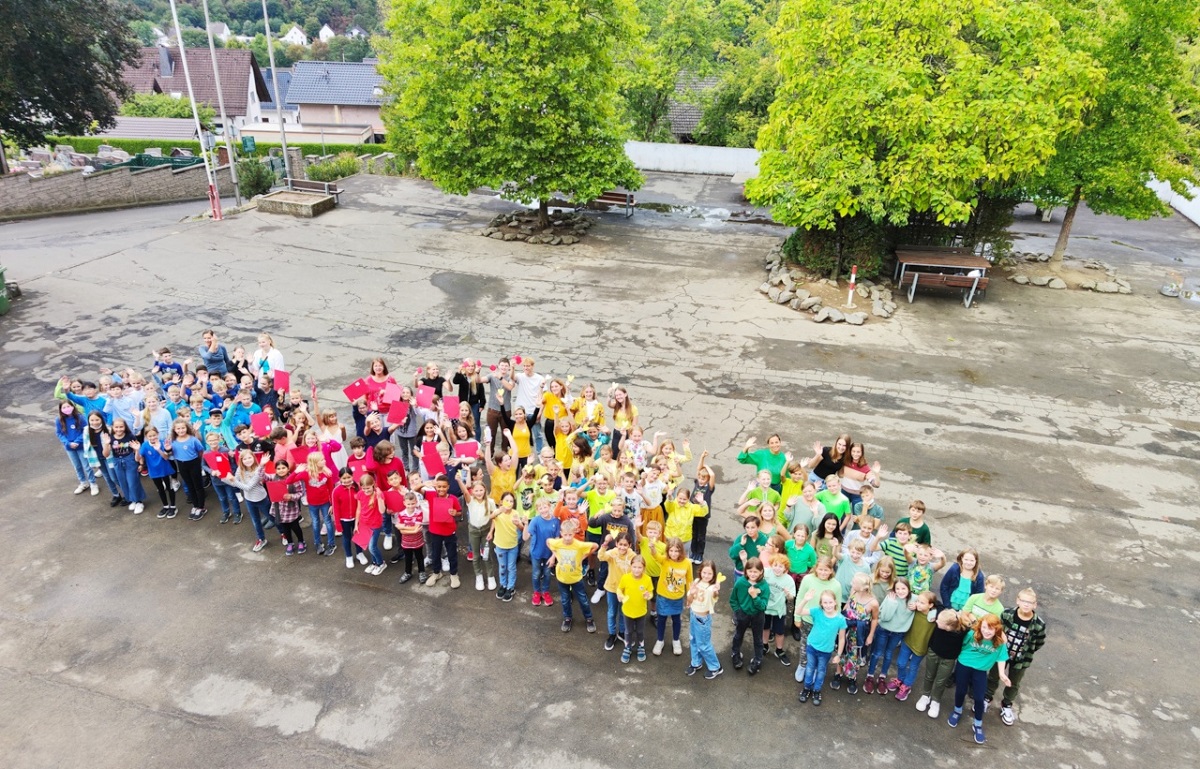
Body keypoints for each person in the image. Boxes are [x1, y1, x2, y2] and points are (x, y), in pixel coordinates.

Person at [986, 588, 1047, 726]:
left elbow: (1039, 642)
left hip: (1021, 659)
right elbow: (998, 631)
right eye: (1023, 601)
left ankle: (1006, 704)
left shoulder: (1039, 625)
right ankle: (987, 697)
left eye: (1030, 602)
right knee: (993, 675)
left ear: (1035, 605)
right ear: (1017, 601)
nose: (1026, 604)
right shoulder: (1007, 614)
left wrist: (1026, 652)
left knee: (1014, 682)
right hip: (1002, 654)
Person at [949, 613, 1011, 744]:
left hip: (980, 670)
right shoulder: (972, 635)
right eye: (984, 627)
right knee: (960, 690)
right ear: (980, 626)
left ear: (997, 629)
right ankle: (957, 710)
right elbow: (959, 644)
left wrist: (1002, 674)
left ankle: (977, 723)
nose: (986, 631)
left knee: (979, 697)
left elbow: (1001, 657)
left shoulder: (999, 642)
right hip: (964, 664)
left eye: (990, 629)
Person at [796, 589, 848, 706]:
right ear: (821, 604)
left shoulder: (840, 619)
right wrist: (805, 600)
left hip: (826, 651)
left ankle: (816, 690)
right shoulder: (817, 611)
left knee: (821, 671)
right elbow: (799, 612)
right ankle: (806, 688)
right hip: (812, 646)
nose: (828, 605)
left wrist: (838, 655)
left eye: (830, 602)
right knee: (809, 668)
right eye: (825, 602)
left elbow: (841, 638)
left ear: (835, 602)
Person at [547, 519, 598, 633]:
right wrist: (554, 555)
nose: (568, 537)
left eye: (570, 535)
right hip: (562, 578)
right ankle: (567, 618)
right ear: (561, 533)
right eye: (565, 535)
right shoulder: (557, 543)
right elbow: (548, 542)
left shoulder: (579, 545)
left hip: (576, 578)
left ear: (574, 533)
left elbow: (595, 546)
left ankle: (589, 618)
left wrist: (583, 557)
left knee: (583, 600)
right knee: (565, 600)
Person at [866, 578, 914, 695]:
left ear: (908, 589)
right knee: (877, 653)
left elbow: (932, 604)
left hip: (898, 632)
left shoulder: (914, 600)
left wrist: (918, 606)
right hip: (884, 629)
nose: (900, 591)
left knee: (888, 654)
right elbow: (885, 617)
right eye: (897, 588)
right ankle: (870, 676)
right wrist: (892, 603)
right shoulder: (890, 598)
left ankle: (882, 677)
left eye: (903, 588)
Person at [649, 537, 692, 657]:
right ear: (667, 551)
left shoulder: (687, 563)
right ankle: (660, 641)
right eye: (671, 551)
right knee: (661, 619)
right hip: (663, 596)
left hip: (677, 597)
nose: (673, 553)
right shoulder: (665, 560)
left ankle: (676, 640)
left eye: (676, 551)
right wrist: (652, 548)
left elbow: (689, 580)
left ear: (681, 551)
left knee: (676, 620)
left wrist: (690, 596)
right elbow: (656, 556)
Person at [893, 590, 938, 701]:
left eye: (922, 603)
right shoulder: (915, 610)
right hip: (908, 641)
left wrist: (936, 613)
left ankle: (907, 686)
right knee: (900, 663)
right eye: (918, 601)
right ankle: (900, 679)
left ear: (931, 605)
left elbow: (943, 611)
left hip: (921, 647)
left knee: (913, 667)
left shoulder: (934, 617)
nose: (918, 604)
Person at [729, 556, 770, 675]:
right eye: (750, 571)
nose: (752, 574)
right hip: (743, 614)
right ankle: (735, 654)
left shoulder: (764, 586)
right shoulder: (740, 583)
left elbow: (763, 606)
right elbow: (733, 599)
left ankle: (757, 659)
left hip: (758, 615)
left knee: (758, 638)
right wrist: (737, 611)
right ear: (746, 571)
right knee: (738, 635)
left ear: (761, 572)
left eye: (755, 572)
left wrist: (755, 597)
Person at [685, 560, 725, 679]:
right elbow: (689, 601)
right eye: (704, 572)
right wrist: (691, 593)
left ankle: (715, 667)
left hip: (703, 619)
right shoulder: (696, 582)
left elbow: (715, 595)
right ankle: (696, 663)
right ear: (700, 571)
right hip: (693, 615)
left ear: (713, 575)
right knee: (693, 640)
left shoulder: (712, 587)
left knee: (703, 644)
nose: (706, 576)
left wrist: (716, 590)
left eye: (709, 574)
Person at [422, 474, 463, 588]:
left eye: (444, 487)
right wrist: (424, 483)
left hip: (449, 531)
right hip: (435, 531)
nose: (441, 489)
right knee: (436, 553)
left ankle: (454, 574)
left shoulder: (453, 498)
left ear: (448, 487)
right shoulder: (430, 495)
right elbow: (416, 489)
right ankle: (436, 573)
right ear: (435, 486)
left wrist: (455, 513)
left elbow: (459, 512)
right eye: (438, 486)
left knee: (452, 554)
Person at [225, 449, 271, 549]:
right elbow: (234, 482)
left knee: (271, 517)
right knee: (255, 521)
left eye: (249, 457)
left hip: (261, 499)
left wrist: (233, 480)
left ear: (253, 458)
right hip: (249, 500)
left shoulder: (258, 470)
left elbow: (248, 487)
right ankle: (261, 539)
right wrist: (223, 477)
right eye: (245, 459)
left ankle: (283, 533)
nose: (247, 460)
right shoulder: (239, 469)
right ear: (241, 460)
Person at [598, 532, 636, 650]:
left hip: (626, 590)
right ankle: (612, 634)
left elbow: (638, 570)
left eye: (625, 545)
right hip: (612, 588)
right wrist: (605, 544)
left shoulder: (632, 556)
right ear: (616, 543)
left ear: (630, 545)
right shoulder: (613, 553)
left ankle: (622, 632)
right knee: (612, 612)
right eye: (620, 544)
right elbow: (601, 556)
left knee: (623, 612)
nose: (622, 547)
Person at [616, 555, 653, 663]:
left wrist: (648, 596)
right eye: (634, 567)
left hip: (641, 611)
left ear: (644, 568)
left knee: (640, 631)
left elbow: (650, 593)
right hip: (627, 611)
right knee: (628, 631)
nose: (637, 570)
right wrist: (619, 594)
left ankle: (641, 646)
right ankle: (628, 647)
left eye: (640, 567)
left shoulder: (647, 579)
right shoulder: (625, 578)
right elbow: (619, 589)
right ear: (630, 566)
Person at [524, 497, 561, 607]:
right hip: (536, 552)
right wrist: (526, 524)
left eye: (545, 507)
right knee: (536, 574)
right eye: (540, 508)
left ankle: (545, 592)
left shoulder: (556, 521)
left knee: (547, 574)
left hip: (549, 554)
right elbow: (525, 537)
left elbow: (557, 540)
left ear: (549, 507)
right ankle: (536, 592)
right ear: (537, 510)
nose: (543, 510)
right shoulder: (535, 520)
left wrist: (554, 556)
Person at [489, 490, 524, 601]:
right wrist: (499, 511)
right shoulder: (498, 512)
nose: (509, 503)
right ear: (501, 502)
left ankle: (510, 587)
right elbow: (490, 517)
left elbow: (522, 529)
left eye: (511, 501)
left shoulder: (515, 513)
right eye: (506, 500)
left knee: (511, 567)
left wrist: (518, 524)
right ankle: (503, 585)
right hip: (500, 545)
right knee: (502, 567)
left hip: (512, 545)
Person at [56, 400, 98, 495]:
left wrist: (77, 442)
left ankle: (93, 483)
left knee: (86, 466)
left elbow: (85, 430)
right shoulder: (59, 420)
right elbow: (59, 433)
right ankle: (83, 483)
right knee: (77, 466)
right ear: (60, 409)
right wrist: (67, 443)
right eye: (64, 407)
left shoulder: (79, 417)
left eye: (68, 406)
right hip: (69, 447)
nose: (66, 409)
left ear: (73, 407)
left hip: (81, 446)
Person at [762, 553, 796, 666]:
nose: (777, 568)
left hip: (779, 610)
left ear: (785, 569)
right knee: (765, 628)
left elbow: (791, 597)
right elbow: (753, 576)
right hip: (765, 608)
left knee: (779, 631)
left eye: (781, 566)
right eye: (775, 565)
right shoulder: (766, 572)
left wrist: (788, 595)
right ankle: (764, 645)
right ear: (771, 564)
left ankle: (779, 650)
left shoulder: (789, 580)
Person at [168, 418, 206, 520]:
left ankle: (201, 507)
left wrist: (198, 463)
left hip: (193, 463)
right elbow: (170, 453)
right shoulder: (173, 441)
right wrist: (167, 450)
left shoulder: (193, 439)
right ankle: (195, 505)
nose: (181, 430)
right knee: (190, 485)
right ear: (174, 430)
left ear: (187, 428)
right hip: (181, 464)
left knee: (198, 486)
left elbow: (200, 451)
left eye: (183, 428)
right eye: (178, 429)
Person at [464, 482, 499, 592]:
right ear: (472, 491)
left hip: (486, 531)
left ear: (485, 490)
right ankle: (478, 576)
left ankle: (490, 576)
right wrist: (460, 480)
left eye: (481, 490)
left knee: (487, 555)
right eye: (476, 490)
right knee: (476, 555)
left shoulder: (491, 502)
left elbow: (494, 518)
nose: (479, 492)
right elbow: (465, 491)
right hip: (473, 531)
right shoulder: (470, 501)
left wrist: (491, 532)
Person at [106, 418, 145, 514]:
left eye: (121, 427)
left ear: (125, 427)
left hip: (130, 460)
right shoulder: (110, 438)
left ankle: (139, 501)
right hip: (117, 461)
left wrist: (141, 463)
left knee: (132, 482)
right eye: (116, 427)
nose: (119, 429)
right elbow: (106, 454)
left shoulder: (130, 436)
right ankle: (132, 499)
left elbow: (137, 450)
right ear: (113, 427)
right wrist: (106, 444)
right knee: (123, 483)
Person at [138, 426, 176, 518]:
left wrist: (158, 449)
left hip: (165, 470)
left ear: (158, 434)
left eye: (154, 435)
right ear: (146, 437)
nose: (152, 438)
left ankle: (173, 507)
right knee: (160, 489)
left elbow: (166, 457)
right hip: (154, 472)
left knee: (169, 488)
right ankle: (165, 506)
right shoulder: (144, 445)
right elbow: (139, 458)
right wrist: (136, 451)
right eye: (150, 436)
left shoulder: (163, 443)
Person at [272, 459, 306, 555]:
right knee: (285, 528)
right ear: (275, 470)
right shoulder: (274, 479)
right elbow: (262, 476)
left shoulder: (294, 479)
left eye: (283, 468)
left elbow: (300, 493)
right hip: (279, 509)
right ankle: (290, 543)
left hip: (291, 509)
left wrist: (291, 496)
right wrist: (262, 465)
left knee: (295, 527)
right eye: (278, 468)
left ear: (288, 469)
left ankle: (301, 541)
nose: (281, 470)